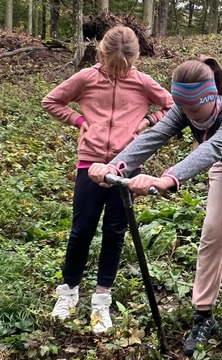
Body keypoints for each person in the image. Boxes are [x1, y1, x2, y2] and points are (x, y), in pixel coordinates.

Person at [88, 56, 222, 356]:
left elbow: (213, 147)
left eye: (194, 109)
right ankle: (203, 312)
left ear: (213, 95)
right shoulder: (184, 108)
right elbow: (155, 135)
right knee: (212, 231)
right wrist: (116, 166)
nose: (189, 115)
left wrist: (169, 178)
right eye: (184, 109)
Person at [41, 25, 174, 334]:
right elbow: (51, 101)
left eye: (124, 68)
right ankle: (69, 292)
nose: (118, 73)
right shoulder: (86, 78)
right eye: (112, 67)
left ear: (136, 59)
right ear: (100, 54)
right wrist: (79, 121)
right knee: (81, 231)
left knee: (115, 232)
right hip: (90, 163)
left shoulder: (142, 82)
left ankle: (102, 300)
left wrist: (148, 121)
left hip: (127, 165)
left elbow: (172, 106)